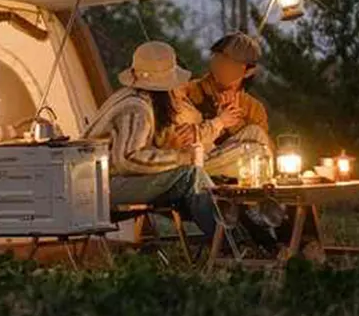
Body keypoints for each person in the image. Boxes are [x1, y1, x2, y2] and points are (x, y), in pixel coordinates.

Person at [84, 41, 220, 241]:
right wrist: (180, 157)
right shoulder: (137, 108)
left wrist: (168, 147)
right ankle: (227, 238)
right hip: (101, 188)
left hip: (99, 184)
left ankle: (225, 235)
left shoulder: (133, 98)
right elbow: (128, 159)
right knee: (189, 176)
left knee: (190, 178)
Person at [176, 31, 274, 180]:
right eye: (218, 59)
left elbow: (268, 151)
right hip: (194, 159)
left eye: (230, 63)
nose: (221, 66)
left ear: (248, 71)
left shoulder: (253, 107)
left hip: (236, 169)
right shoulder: (188, 91)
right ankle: (194, 171)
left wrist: (233, 123)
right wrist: (218, 120)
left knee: (257, 136)